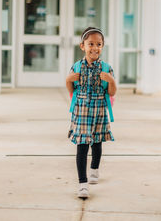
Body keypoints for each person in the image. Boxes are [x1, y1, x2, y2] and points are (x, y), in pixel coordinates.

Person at [66, 27, 117, 199]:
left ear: (103, 46)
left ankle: (94, 169)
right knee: (82, 146)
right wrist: (68, 80)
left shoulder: (106, 68)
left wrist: (110, 80)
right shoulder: (76, 67)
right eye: (91, 44)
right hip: (82, 110)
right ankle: (82, 183)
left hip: (99, 109)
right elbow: (71, 90)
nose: (95, 48)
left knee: (97, 143)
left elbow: (112, 92)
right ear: (82, 46)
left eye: (99, 44)